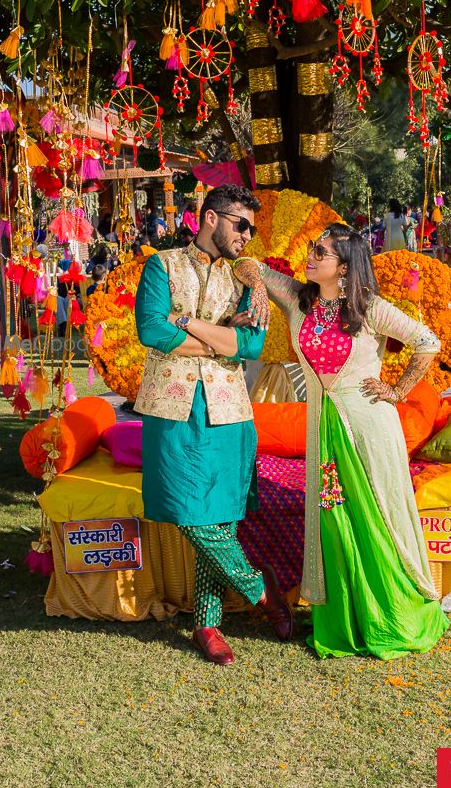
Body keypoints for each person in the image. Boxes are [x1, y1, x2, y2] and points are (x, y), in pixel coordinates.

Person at [233, 224, 449, 660]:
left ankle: (392, 614)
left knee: (379, 516)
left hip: (368, 425)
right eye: (312, 249)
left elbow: (428, 342)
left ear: (345, 267)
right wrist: (258, 287)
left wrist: (398, 389)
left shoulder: (369, 309)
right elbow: (245, 264)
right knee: (333, 519)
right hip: (324, 429)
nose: (310, 258)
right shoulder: (299, 297)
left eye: (320, 252)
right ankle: (345, 617)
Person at [133, 184, 291, 666]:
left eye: (252, 227)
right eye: (241, 224)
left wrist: (188, 322)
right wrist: (216, 338)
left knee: (218, 515)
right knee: (185, 509)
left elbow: (251, 346)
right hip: (172, 407)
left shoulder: (246, 281)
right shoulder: (162, 265)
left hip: (229, 409)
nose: (248, 235)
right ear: (209, 218)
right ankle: (261, 590)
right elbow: (151, 330)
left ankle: (207, 623)